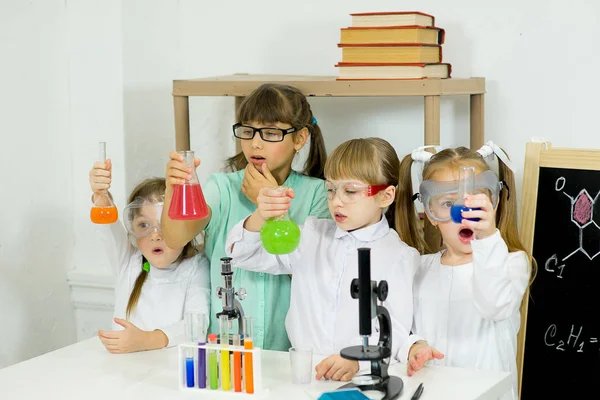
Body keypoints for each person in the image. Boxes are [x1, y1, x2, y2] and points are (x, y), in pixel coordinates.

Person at [226, 137, 419, 381]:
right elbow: (242, 254)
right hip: (303, 372)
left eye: (350, 191)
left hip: (361, 379)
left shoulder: (400, 256)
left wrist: (357, 361)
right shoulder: (311, 235)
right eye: (331, 189)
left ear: (385, 196)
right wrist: (262, 215)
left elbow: (396, 333)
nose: (336, 201)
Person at [161, 83, 330, 350]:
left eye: (271, 132)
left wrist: (268, 200)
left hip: (290, 350)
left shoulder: (318, 194)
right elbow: (174, 238)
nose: (256, 143)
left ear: (299, 139)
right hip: (227, 347)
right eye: (248, 131)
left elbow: (313, 274)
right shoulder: (222, 188)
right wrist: (174, 188)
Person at [396, 142, 533, 400]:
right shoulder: (420, 269)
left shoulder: (511, 263)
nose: (463, 215)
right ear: (431, 213)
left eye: (475, 203)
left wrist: (488, 238)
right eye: (448, 204)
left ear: (493, 205)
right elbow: (403, 328)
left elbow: (494, 304)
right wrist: (413, 345)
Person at [89, 159, 210, 353]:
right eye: (144, 225)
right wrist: (100, 195)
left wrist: (146, 340)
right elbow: (107, 227)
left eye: (165, 224)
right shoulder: (129, 261)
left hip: (168, 375)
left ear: (185, 227)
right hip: (123, 374)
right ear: (133, 229)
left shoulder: (195, 266)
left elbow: (197, 326)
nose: (155, 235)